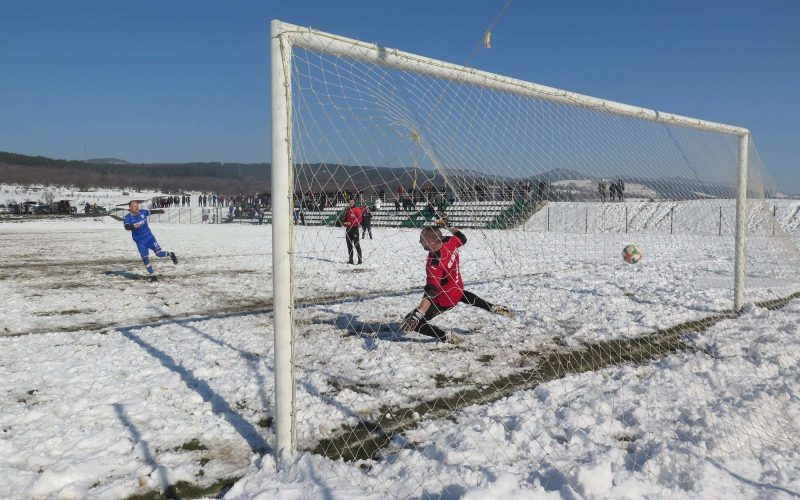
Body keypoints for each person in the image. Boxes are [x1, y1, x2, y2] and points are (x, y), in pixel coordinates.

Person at [400, 223, 513, 344]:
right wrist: (448, 226)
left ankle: (445, 337)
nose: (419, 242)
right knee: (461, 294)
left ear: (430, 242)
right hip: (458, 288)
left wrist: (418, 314)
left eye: (422, 239)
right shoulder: (450, 241)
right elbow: (462, 238)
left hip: (444, 301)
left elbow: (431, 290)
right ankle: (492, 307)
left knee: (411, 321)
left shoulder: (434, 262)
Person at [123, 200, 178, 282]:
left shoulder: (143, 212)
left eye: (137, 205)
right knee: (145, 258)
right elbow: (127, 227)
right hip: (140, 242)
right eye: (134, 206)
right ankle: (153, 276)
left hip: (150, 238)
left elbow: (151, 212)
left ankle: (171, 254)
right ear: (130, 208)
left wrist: (159, 211)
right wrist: (133, 226)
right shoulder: (127, 217)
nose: (137, 207)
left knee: (159, 254)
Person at [342, 198, 363, 264]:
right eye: (349, 202)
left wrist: (351, 223)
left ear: (354, 203)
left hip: (354, 229)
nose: (350, 203)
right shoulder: (347, 210)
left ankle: (360, 261)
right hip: (348, 230)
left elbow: (359, 219)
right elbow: (345, 219)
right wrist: (344, 223)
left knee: (356, 245)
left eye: (352, 202)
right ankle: (350, 260)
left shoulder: (357, 210)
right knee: (349, 245)